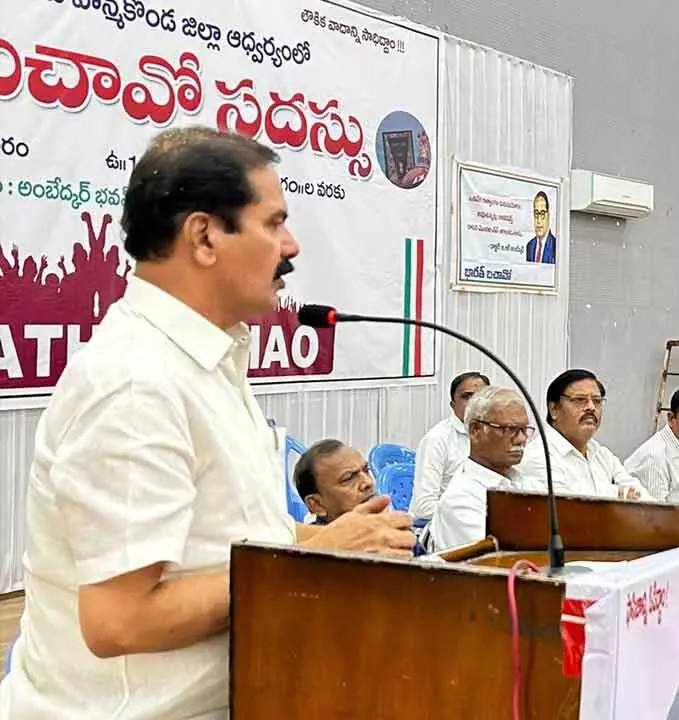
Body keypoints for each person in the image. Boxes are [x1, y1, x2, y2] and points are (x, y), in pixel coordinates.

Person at [0, 127, 415, 719]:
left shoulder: (209, 360)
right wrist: (323, 558)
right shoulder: (136, 383)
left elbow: (233, 541)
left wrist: (340, 538)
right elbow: (120, 619)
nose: (292, 245)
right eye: (273, 223)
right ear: (203, 236)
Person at [517, 369, 647, 499]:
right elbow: (570, 511)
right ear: (554, 409)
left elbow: (645, 500)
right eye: (579, 400)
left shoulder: (602, 455)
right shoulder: (539, 457)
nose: (591, 407)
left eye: (597, 400)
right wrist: (617, 493)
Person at [429, 387, 530, 550]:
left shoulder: (522, 480)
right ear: (475, 431)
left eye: (524, 430)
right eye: (510, 430)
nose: (521, 439)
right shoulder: (461, 500)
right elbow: (498, 562)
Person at [410, 371, 491, 520]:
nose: (474, 402)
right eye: (467, 396)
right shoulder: (437, 439)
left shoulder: (495, 435)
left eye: (481, 397)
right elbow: (422, 506)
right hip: (446, 529)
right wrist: (474, 513)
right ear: (453, 405)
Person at [293, 440, 377, 525]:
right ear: (317, 504)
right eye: (348, 478)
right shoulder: (317, 538)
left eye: (366, 470)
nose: (368, 482)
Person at [525, 190, 556, 264]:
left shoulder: (555, 246)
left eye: (542, 214)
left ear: (548, 216)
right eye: (536, 214)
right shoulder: (529, 246)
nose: (539, 220)